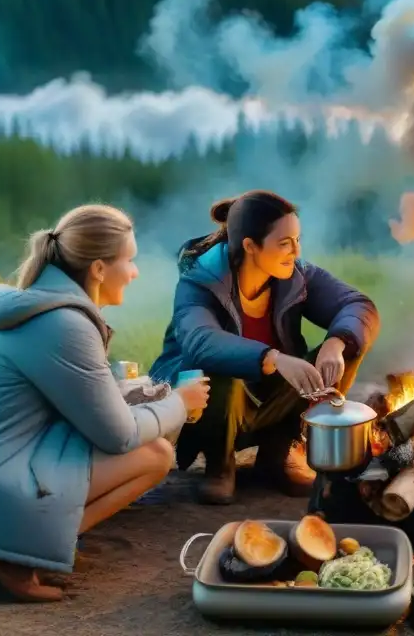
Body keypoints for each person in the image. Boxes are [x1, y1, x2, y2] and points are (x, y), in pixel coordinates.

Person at [0, 205, 210, 603]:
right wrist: (179, 402)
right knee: (154, 454)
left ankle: (31, 546)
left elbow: (86, 403)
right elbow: (119, 435)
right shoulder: (63, 324)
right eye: (130, 260)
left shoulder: (40, 305)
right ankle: (13, 559)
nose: (136, 271)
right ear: (99, 269)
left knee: (142, 445)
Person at [149, 190, 380, 505]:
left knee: (349, 342)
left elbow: (357, 305)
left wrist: (336, 342)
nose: (295, 252)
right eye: (285, 243)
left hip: (273, 400)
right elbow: (199, 342)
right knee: (217, 369)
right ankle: (220, 463)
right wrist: (274, 358)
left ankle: (280, 448)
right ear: (250, 246)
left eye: (297, 240)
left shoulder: (296, 275)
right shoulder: (200, 281)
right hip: (211, 409)